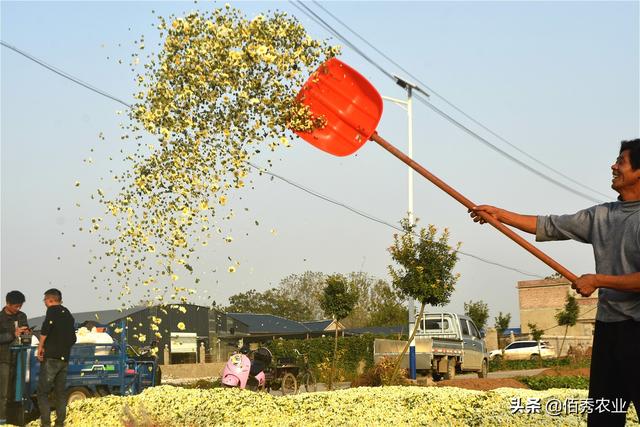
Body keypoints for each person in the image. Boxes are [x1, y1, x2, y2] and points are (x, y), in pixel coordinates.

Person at [470, 138, 640, 426]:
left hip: (637, 331)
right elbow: (549, 225)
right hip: (609, 329)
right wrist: (500, 215)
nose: (613, 166)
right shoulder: (601, 215)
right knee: (604, 416)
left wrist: (597, 280)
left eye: (621, 162)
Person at [37, 289, 76, 427]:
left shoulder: (52, 311)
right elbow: (73, 338)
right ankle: (60, 424)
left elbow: (45, 329)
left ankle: (46, 424)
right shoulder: (69, 315)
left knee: (42, 393)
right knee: (60, 394)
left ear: (50, 300)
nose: (45, 303)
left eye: (45, 301)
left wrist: (40, 347)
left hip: (51, 358)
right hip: (64, 359)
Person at [0, 291, 29, 425]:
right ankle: (2, 420)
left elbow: (26, 333)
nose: (18, 309)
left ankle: (15, 421)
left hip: (20, 358)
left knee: (17, 393)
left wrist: (27, 333)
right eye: (16, 306)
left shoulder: (22, 316)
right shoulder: (0, 318)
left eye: (20, 306)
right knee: (3, 393)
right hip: (4, 359)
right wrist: (13, 334)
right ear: (8, 304)